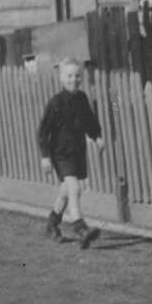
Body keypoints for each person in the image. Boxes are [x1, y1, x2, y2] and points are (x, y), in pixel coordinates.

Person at [37, 58, 106, 249]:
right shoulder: (56, 103)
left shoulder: (82, 99)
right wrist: (45, 156)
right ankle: (80, 228)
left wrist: (97, 137)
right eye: (69, 76)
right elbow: (43, 132)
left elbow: (90, 121)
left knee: (66, 192)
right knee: (75, 188)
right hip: (60, 153)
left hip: (77, 151)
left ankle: (52, 224)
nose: (73, 80)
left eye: (77, 76)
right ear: (61, 78)